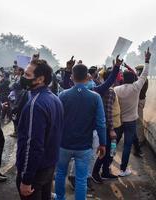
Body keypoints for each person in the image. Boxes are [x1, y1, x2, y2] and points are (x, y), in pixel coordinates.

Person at [55, 64, 106, 200]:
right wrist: (103, 144)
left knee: (60, 173)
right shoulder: (95, 97)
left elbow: (56, 121)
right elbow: (101, 124)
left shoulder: (63, 95)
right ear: (88, 77)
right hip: (84, 146)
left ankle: (60, 198)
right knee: (81, 178)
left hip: (64, 144)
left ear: (72, 77)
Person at [16, 59, 63, 200]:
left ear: (40, 79)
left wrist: (26, 179)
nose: (23, 78)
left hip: (36, 171)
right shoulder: (55, 99)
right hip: (48, 166)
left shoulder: (35, 105)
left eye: (27, 75)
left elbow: (32, 145)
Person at [114, 48, 151, 177]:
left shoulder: (116, 89)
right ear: (133, 78)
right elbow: (144, 74)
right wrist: (147, 61)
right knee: (127, 146)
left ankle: (106, 165)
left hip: (118, 121)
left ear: (123, 79)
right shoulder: (136, 88)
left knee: (114, 143)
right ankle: (123, 170)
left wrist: (116, 66)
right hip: (131, 122)